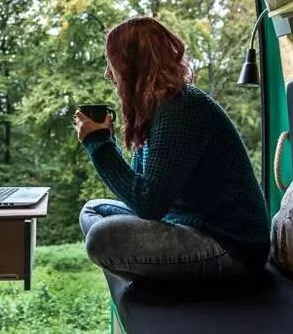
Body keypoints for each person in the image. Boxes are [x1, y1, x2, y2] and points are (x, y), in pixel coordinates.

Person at [73, 16, 270, 284]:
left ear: (132, 64)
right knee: (93, 210)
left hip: (231, 247)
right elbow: (143, 191)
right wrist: (107, 139)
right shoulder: (157, 110)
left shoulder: (181, 108)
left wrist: (99, 144)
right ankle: (154, 270)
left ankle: (153, 274)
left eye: (112, 63)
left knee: (100, 238)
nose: (108, 73)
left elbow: (148, 203)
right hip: (184, 223)